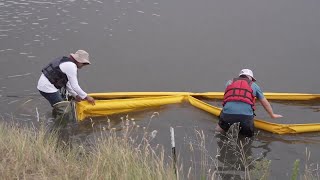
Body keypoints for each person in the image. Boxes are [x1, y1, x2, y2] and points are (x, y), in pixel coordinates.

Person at [215, 69, 282, 137]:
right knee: (248, 138)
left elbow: (228, 97)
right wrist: (272, 115)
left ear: (240, 76)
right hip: (245, 117)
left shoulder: (229, 83)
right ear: (250, 78)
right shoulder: (255, 86)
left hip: (227, 114)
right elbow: (265, 102)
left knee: (220, 130)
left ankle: (218, 134)